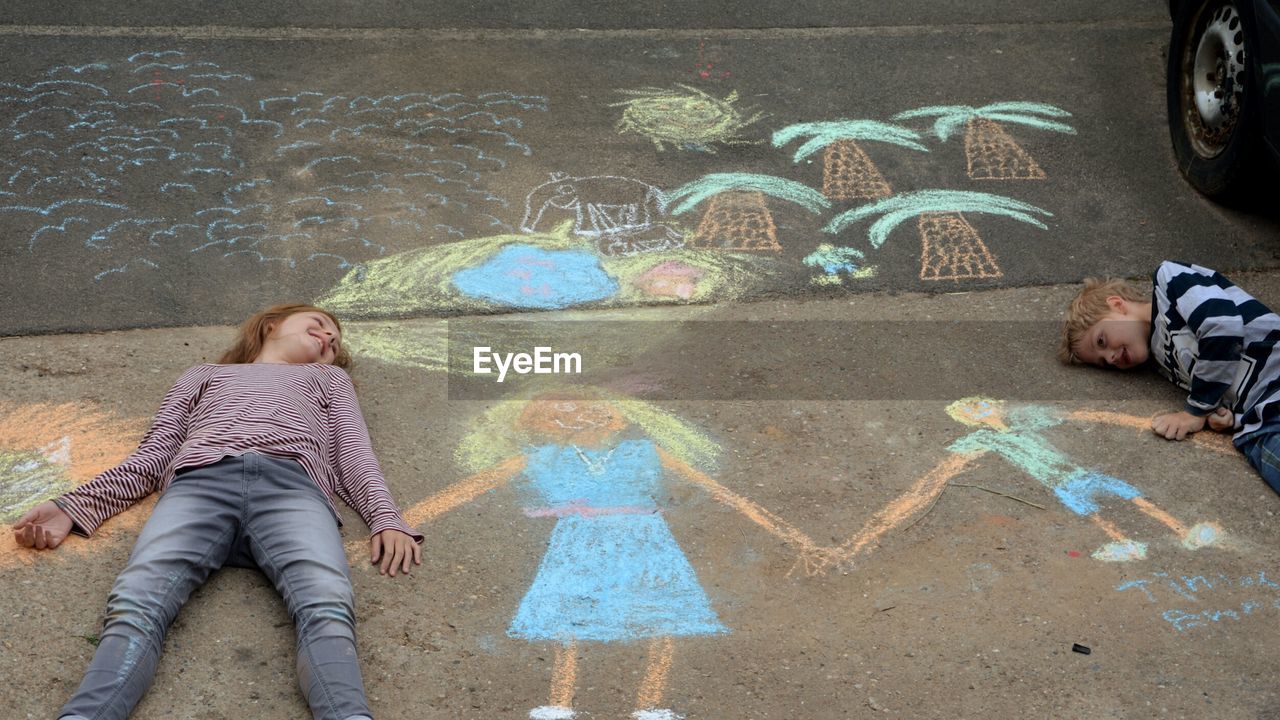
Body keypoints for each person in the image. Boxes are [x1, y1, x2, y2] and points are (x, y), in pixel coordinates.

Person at [11, 303, 423, 720]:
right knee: (137, 600)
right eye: (317, 325)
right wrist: (75, 506)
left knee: (327, 603)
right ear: (270, 326)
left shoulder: (328, 378)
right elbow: (155, 454)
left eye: (334, 342)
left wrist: (384, 517)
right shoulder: (205, 374)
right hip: (200, 482)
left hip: (294, 489)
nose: (328, 339)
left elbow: (352, 453)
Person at [1060, 261, 1280, 495]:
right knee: (1257, 449)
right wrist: (1227, 417)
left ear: (1117, 305)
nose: (1111, 357)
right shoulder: (1163, 363)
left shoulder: (1170, 282)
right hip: (1262, 416)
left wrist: (1195, 411)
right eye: (1104, 362)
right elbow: (1227, 379)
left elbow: (1222, 326)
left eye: (1101, 341)